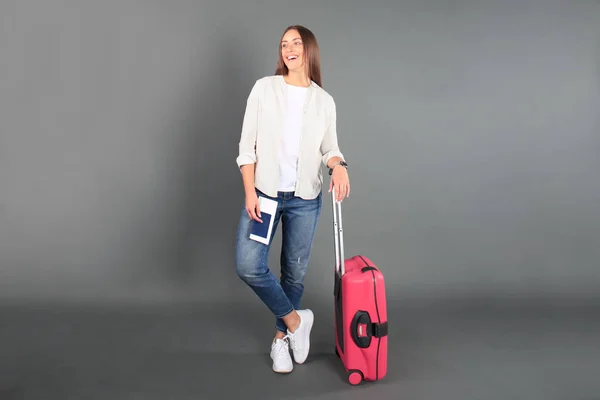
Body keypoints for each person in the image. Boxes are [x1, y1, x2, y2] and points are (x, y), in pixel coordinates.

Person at [234, 25, 350, 374]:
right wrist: (250, 191)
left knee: (293, 274)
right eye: (284, 44)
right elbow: (246, 147)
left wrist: (339, 165)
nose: (289, 48)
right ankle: (298, 321)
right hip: (266, 195)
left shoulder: (323, 101)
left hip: (304, 199)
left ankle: (279, 341)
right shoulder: (264, 89)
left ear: (309, 49)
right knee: (248, 265)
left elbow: (329, 148)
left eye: (296, 42)